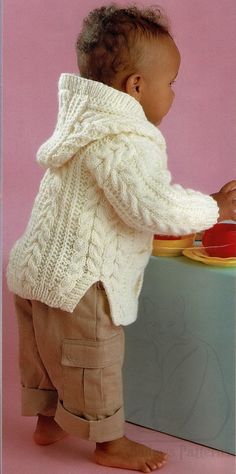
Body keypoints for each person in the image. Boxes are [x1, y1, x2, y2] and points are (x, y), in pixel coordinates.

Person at [6, 4, 236, 473]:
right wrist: (215, 207)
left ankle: (47, 420)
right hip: (82, 280)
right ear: (136, 85)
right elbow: (151, 205)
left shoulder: (82, 124)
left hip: (35, 266)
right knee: (94, 359)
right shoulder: (125, 138)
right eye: (170, 83)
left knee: (44, 350)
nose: (173, 93)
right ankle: (108, 442)